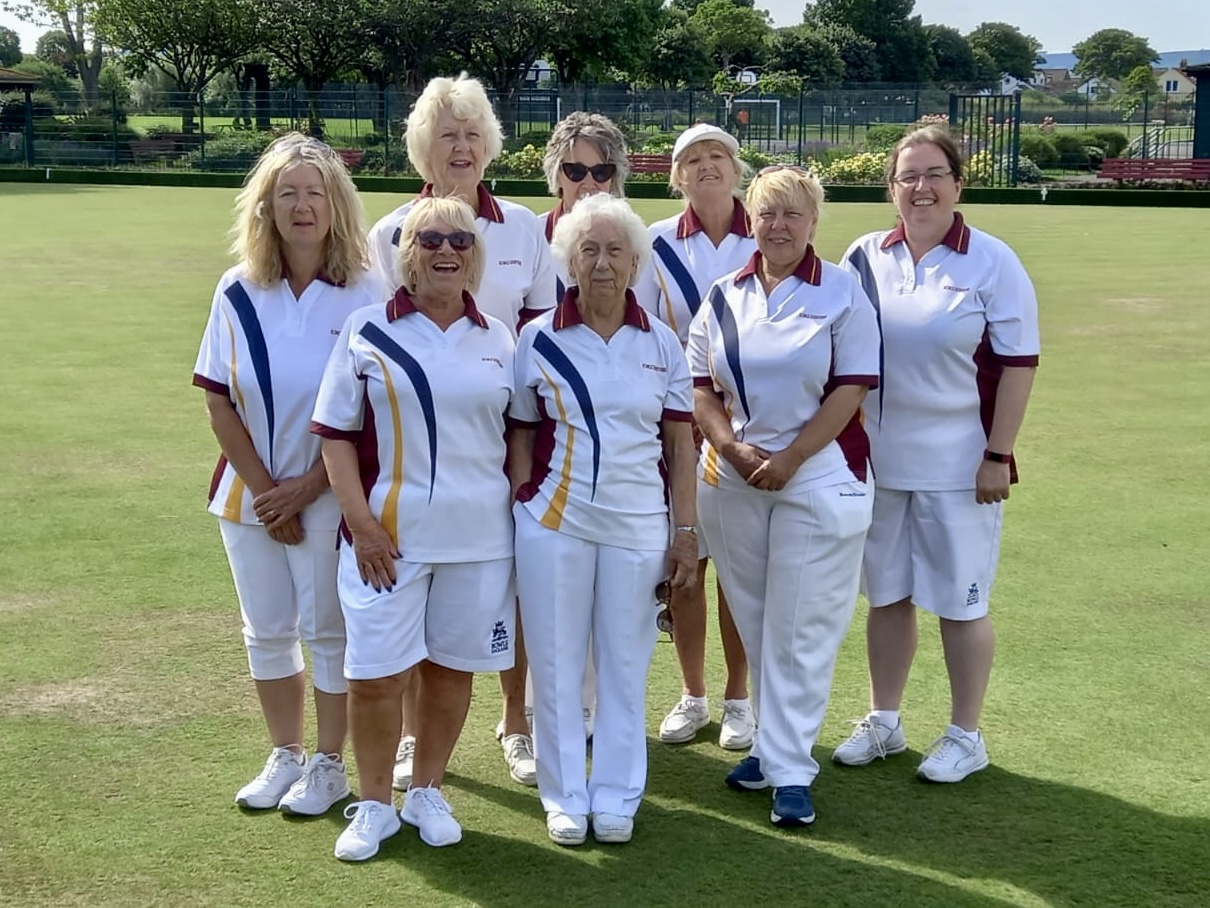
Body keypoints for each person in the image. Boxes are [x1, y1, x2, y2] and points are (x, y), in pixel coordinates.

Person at [366, 73, 555, 792]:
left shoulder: (527, 229)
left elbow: (541, 337)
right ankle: (414, 737)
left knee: (511, 588)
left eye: (474, 134)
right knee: (420, 588)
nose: (463, 147)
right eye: (448, 135)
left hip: (507, 442)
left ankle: (515, 721)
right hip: (414, 456)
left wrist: (528, 457)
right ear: (423, 149)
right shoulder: (389, 232)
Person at [833, 125, 1040, 783]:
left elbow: (1018, 365)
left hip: (961, 467)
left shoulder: (992, 261)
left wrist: (997, 454)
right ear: (891, 188)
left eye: (934, 174)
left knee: (960, 602)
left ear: (958, 183)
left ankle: (964, 735)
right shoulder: (863, 257)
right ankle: (885, 721)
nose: (921, 188)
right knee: (887, 597)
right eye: (907, 177)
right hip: (880, 465)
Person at [312, 197, 517, 861]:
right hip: (387, 543)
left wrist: (513, 509)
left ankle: (427, 789)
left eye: (460, 239)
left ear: (475, 254)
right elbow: (336, 437)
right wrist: (361, 524)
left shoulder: (501, 337)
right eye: (430, 239)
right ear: (407, 253)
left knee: (452, 671)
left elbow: (519, 435)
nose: (446, 250)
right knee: (375, 676)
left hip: (479, 541)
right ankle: (373, 804)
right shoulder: (368, 330)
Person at [191, 134, 379, 817]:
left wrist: (308, 489)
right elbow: (217, 397)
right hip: (248, 495)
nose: (302, 206)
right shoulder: (238, 287)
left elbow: (375, 415)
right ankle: (286, 754)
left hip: (331, 498)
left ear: (336, 205)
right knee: (266, 629)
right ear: (265, 206)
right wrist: (272, 494)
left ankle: (330, 764)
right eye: (287, 193)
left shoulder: (367, 291)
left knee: (328, 632)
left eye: (315, 192)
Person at [688, 165, 880, 827]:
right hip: (733, 480)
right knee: (759, 618)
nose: (778, 226)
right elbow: (700, 391)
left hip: (821, 476)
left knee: (801, 630)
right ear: (751, 220)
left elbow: (850, 390)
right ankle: (774, 750)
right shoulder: (722, 295)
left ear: (813, 222)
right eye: (767, 213)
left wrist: (792, 458)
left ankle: (791, 771)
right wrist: (737, 452)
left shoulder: (845, 292)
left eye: (792, 214)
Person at [510, 194, 699, 846]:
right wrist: (521, 508)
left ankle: (617, 795)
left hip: (639, 527)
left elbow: (681, 448)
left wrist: (685, 533)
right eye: (587, 249)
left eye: (614, 250)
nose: (601, 263)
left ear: (635, 262)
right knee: (558, 667)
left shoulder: (663, 342)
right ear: (567, 259)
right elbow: (519, 433)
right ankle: (564, 797)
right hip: (554, 526)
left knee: (624, 666)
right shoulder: (536, 338)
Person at [633, 122, 755, 750]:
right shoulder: (653, 242)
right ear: (675, 176)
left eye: (717, 156)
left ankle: (739, 698)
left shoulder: (766, 228)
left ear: (736, 168)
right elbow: (641, 333)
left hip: (749, 428)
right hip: (674, 430)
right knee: (685, 565)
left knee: (735, 568)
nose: (706, 167)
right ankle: (693, 694)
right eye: (692, 160)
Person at [536, 111, 633, 739]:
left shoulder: (631, 240)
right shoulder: (524, 239)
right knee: (541, 596)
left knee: (609, 596)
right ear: (556, 176)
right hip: (537, 435)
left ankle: (594, 711)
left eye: (602, 170)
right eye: (575, 170)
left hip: (615, 445)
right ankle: (527, 716)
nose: (589, 182)